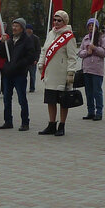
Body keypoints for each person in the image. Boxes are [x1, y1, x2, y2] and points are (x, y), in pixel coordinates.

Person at [37, 9, 79, 137]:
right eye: (54, 20)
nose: (56, 22)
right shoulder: (51, 33)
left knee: (63, 101)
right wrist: (41, 63)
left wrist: (70, 73)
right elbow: (44, 50)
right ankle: (51, 124)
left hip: (62, 75)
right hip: (50, 73)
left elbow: (72, 57)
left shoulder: (69, 36)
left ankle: (62, 125)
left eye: (59, 20)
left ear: (64, 22)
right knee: (50, 100)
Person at [0, 17, 37, 130]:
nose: (14, 28)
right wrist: (2, 43)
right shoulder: (9, 40)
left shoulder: (27, 40)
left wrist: (18, 64)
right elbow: (2, 55)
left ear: (22, 28)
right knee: (6, 98)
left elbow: (30, 56)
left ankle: (25, 122)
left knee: (21, 98)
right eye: (13, 25)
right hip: (7, 74)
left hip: (19, 74)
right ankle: (8, 121)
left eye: (16, 26)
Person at [77, 18, 105, 121]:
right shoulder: (86, 38)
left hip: (97, 70)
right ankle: (90, 111)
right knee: (89, 92)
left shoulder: (102, 38)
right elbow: (80, 53)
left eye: (93, 25)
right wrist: (87, 52)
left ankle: (99, 112)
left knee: (97, 92)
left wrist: (95, 48)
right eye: (89, 25)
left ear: (97, 27)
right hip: (87, 70)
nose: (91, 27)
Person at [25, 25, 39, 92]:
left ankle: (32, 88)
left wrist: (36, 59)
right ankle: (23, 87)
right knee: (23, 75)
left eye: (29, 29)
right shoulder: (23, 38)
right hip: (24, 60)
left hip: (32, 60)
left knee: (32, 75)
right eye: (27, 29)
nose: (28, 31)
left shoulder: (35, 38)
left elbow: (38, 50)